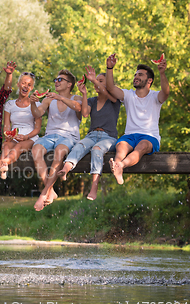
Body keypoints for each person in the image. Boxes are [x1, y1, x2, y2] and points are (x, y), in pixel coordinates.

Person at [57, 66, 121, 200]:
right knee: (79, 146)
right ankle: (65, 170)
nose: (96, 83)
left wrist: (92, 79)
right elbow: (85, 114)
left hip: (108, 137)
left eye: (101, 80)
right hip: (92, 135)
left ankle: (94, 186)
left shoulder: (114, 100)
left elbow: (106, 90)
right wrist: (84, 94)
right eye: (96, 80)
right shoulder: (92, 100)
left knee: (96, 150)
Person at [105, 53, 169, 184]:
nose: (136, 77)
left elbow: (166, 92)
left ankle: (120, 166)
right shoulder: (128, 95)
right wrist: (109, 68)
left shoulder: (155, 97)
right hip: (130, 136)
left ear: (149, 80)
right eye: (135, 75)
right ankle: (117, 168)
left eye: (140, 75)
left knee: (142, 146)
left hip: (149, 137)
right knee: (121, 145)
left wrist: (162, 73)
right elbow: (110, 88)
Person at [30, 70, 82, 211]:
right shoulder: (48, 99)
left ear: (69, 84)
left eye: (60, 79)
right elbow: (37, 113)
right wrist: (33, 103)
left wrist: (60, 97)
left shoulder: (77, 97)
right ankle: (50, 191)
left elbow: (79, 108)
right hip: (50, 136)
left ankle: (44, 193)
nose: (56, 82)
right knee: (35, 150)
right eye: (56, 79)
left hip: (69, 137)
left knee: (59, 152)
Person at [0, 72, 42, 179]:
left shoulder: (37, 104)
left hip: (31, 137)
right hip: (15, 137)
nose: (26, 86)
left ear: (32, 88)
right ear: (18, 84)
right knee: (5, 145)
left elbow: (38, 129)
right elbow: (6, 125)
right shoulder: (10, 104)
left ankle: (3, 162)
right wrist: (8, 135)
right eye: (23, 83)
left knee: (19, 146)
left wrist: (26, 137)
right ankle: (3, 171)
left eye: (29, 85)